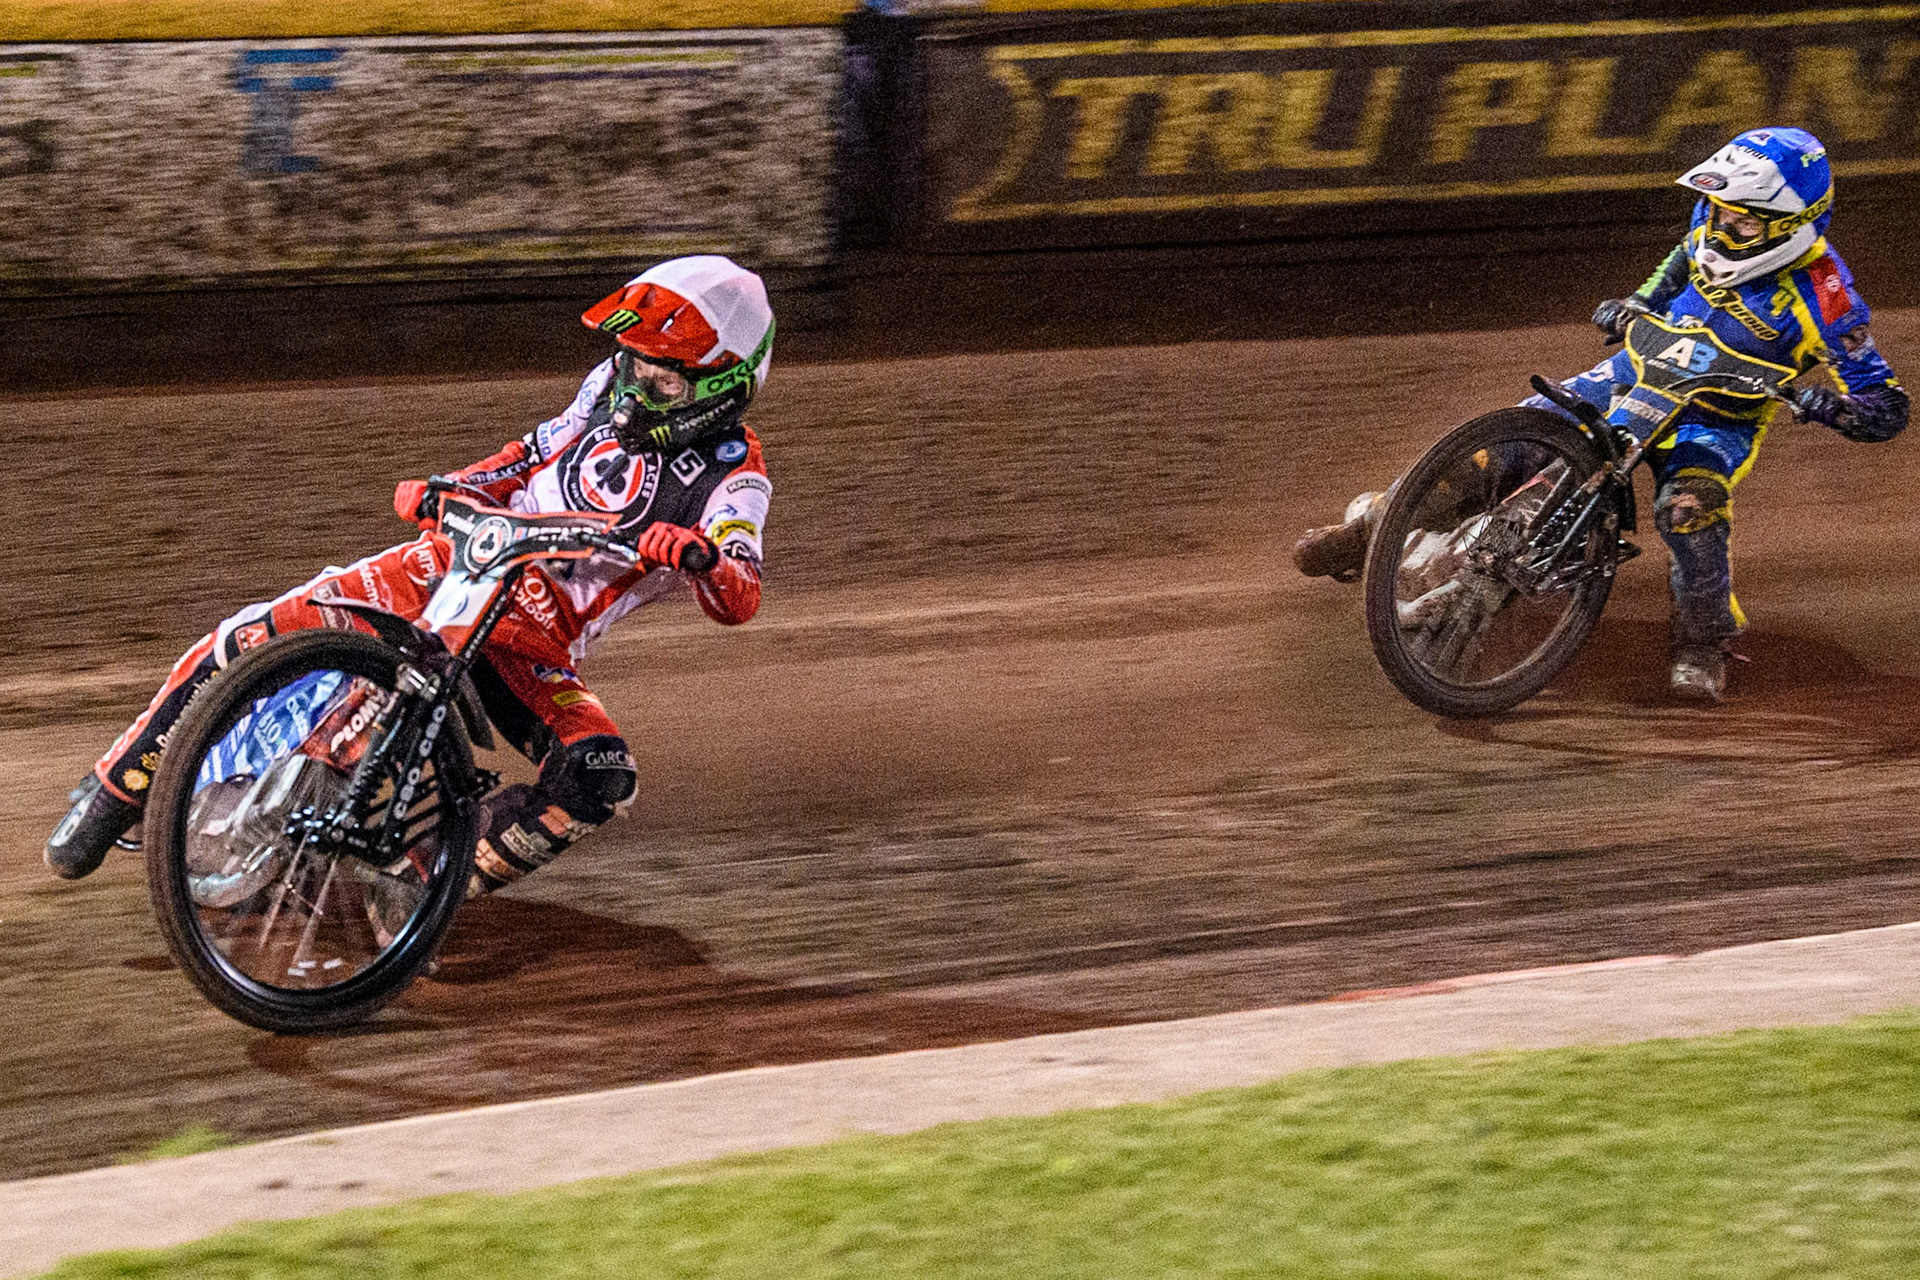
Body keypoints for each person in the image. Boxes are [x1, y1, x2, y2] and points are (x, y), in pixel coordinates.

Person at [46, 254, 776, 889]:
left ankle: (425, 887)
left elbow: (739, 594)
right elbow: (531, 453)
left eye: (664, 381)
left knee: (601, 775)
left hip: (532, 645)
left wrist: (701, 555)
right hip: (456, 565)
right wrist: (450, 486)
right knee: (261, 630)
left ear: (724, 386)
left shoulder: (736, 475)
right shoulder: (607, 387)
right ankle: (116, 788)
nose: (637, 386)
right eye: (633, 364)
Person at [1292, 127, 1908, 702]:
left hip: (1714, 421)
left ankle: (1703, 641)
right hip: (1633, 374)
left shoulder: (1830, 298)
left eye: (1742, 222)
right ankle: (1373, 528)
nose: (1722, 228)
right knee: (1504, 446)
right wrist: (1636, 302)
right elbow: (1677, 264)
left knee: (1688, 512)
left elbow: (1888, 409)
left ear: (1791, 226)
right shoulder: (1708, 228)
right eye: (1720, 211)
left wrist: (1827, 404)